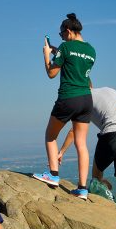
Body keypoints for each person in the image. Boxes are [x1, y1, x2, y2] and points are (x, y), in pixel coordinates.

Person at [33, 13, 97, 200]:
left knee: (50, 136)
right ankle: (83, 189)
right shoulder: (92, 50)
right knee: (81, 144)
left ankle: (52, 175)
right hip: (86, 99)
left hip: (68, 98)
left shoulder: (65, 47)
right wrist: (57, 51)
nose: (61, 37)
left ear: (68, 31)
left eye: (61, 34)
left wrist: (47, 56)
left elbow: (52, 73)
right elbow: (75, 64)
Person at [57, 86, 116, 203]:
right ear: (91, 85)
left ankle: (101, 193)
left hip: (111, 134)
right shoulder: (110, 90)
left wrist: (61, 151)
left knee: (96, 176)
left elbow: (74, 131)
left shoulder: (84, 100)